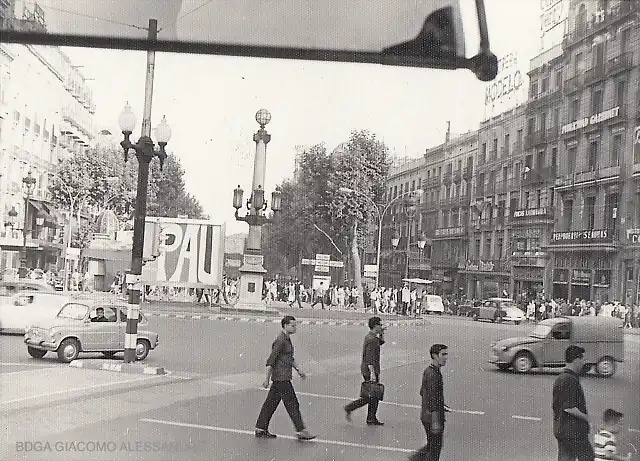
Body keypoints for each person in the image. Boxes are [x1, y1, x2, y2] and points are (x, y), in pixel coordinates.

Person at [255, 316, 316, 440]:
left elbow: (288, 358)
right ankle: (301, 430)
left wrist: (298, 370)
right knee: (292, 403)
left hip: (281, 377)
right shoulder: (281, 340)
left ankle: (260, 428)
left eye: (295, 325)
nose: (295, 327)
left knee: (271, 403)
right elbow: (271, 361)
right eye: (292, 325)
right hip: (281, 378)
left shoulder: (286, 339)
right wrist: (266, 379)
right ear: (285, 325)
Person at [553, 345, 595, 461]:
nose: (583, 363)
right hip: (573, 432)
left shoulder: (561, 378)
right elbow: (569, 408)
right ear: (576, 360)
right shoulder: (570, 380)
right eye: (583, 360)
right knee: (587, 457)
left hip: (561, 428)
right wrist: (588, 418)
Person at [408, 343, 449, 461]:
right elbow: (431, 399)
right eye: (443, 354)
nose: (446, 357)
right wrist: (435, 421)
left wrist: (441, 405)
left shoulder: (429, 371)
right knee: (435, 449)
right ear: (435, 356)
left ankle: (414, 459)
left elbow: (423, 392)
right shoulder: (433, 374)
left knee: (432, 445)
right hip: (433, 417)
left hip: (427, 416)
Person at [344, 316, 386, 426]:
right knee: (372, 395)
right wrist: (372, 373)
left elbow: (380, 342)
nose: (381, 326)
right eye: (380, 325)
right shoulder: (372, 340)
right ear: (375, 325)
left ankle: (370, 417)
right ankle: (355, 410)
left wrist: (382, 333)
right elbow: (370, 358)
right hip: (370, 370)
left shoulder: (371, 337)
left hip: (368, 368)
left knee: (371, 395)